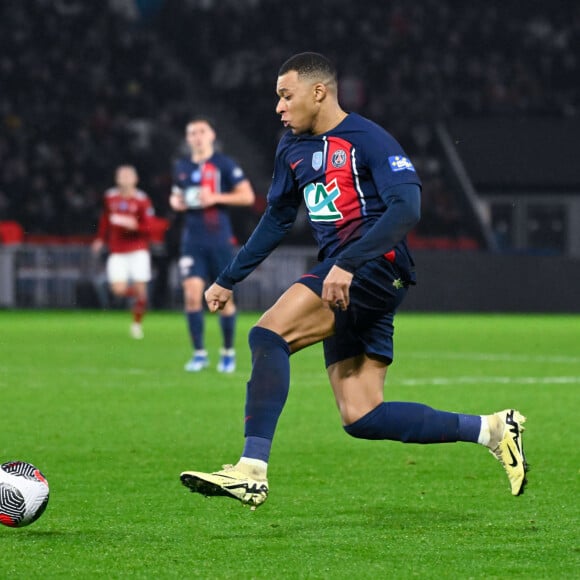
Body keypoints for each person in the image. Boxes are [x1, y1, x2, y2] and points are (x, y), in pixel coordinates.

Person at [180, 53, 528, 509]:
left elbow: (407, 208)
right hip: (347, 278)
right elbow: (277, 220)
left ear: (318, 92)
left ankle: (251, 470)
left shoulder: (369, 140)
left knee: (268, 334)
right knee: (361, 414)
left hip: (373, 267)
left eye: (287, 96)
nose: (279, 108)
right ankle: (492, 429)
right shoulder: (291, 148)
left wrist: (347, 263)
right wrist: (229, 278)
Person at [170, 117, 255, 373]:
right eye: (192, 132)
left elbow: (247, 196)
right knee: (192, 296)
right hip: (192, 240)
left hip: (219, 239)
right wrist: (177, 202)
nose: (197, 136)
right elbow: (176, 195)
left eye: (201, 131)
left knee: (223, 300)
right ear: (188, 139)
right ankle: (199, 354)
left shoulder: (224, 164)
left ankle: (227, 352)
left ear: (211, 135)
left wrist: (215, 197)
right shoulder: (182, 166)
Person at [91, 165, 154, 339]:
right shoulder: (110, 197)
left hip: (138, 250)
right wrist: (100, 239)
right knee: (118, 290)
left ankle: (136, 324)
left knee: (140, 288)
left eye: (128, 176)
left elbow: (149, 227)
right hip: (117, 250)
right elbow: (105, 220)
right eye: (121, 176)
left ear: (135, 179)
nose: (125, 179)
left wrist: (136, 226)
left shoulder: (142, 200)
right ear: (116, 179)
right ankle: (140, 297)